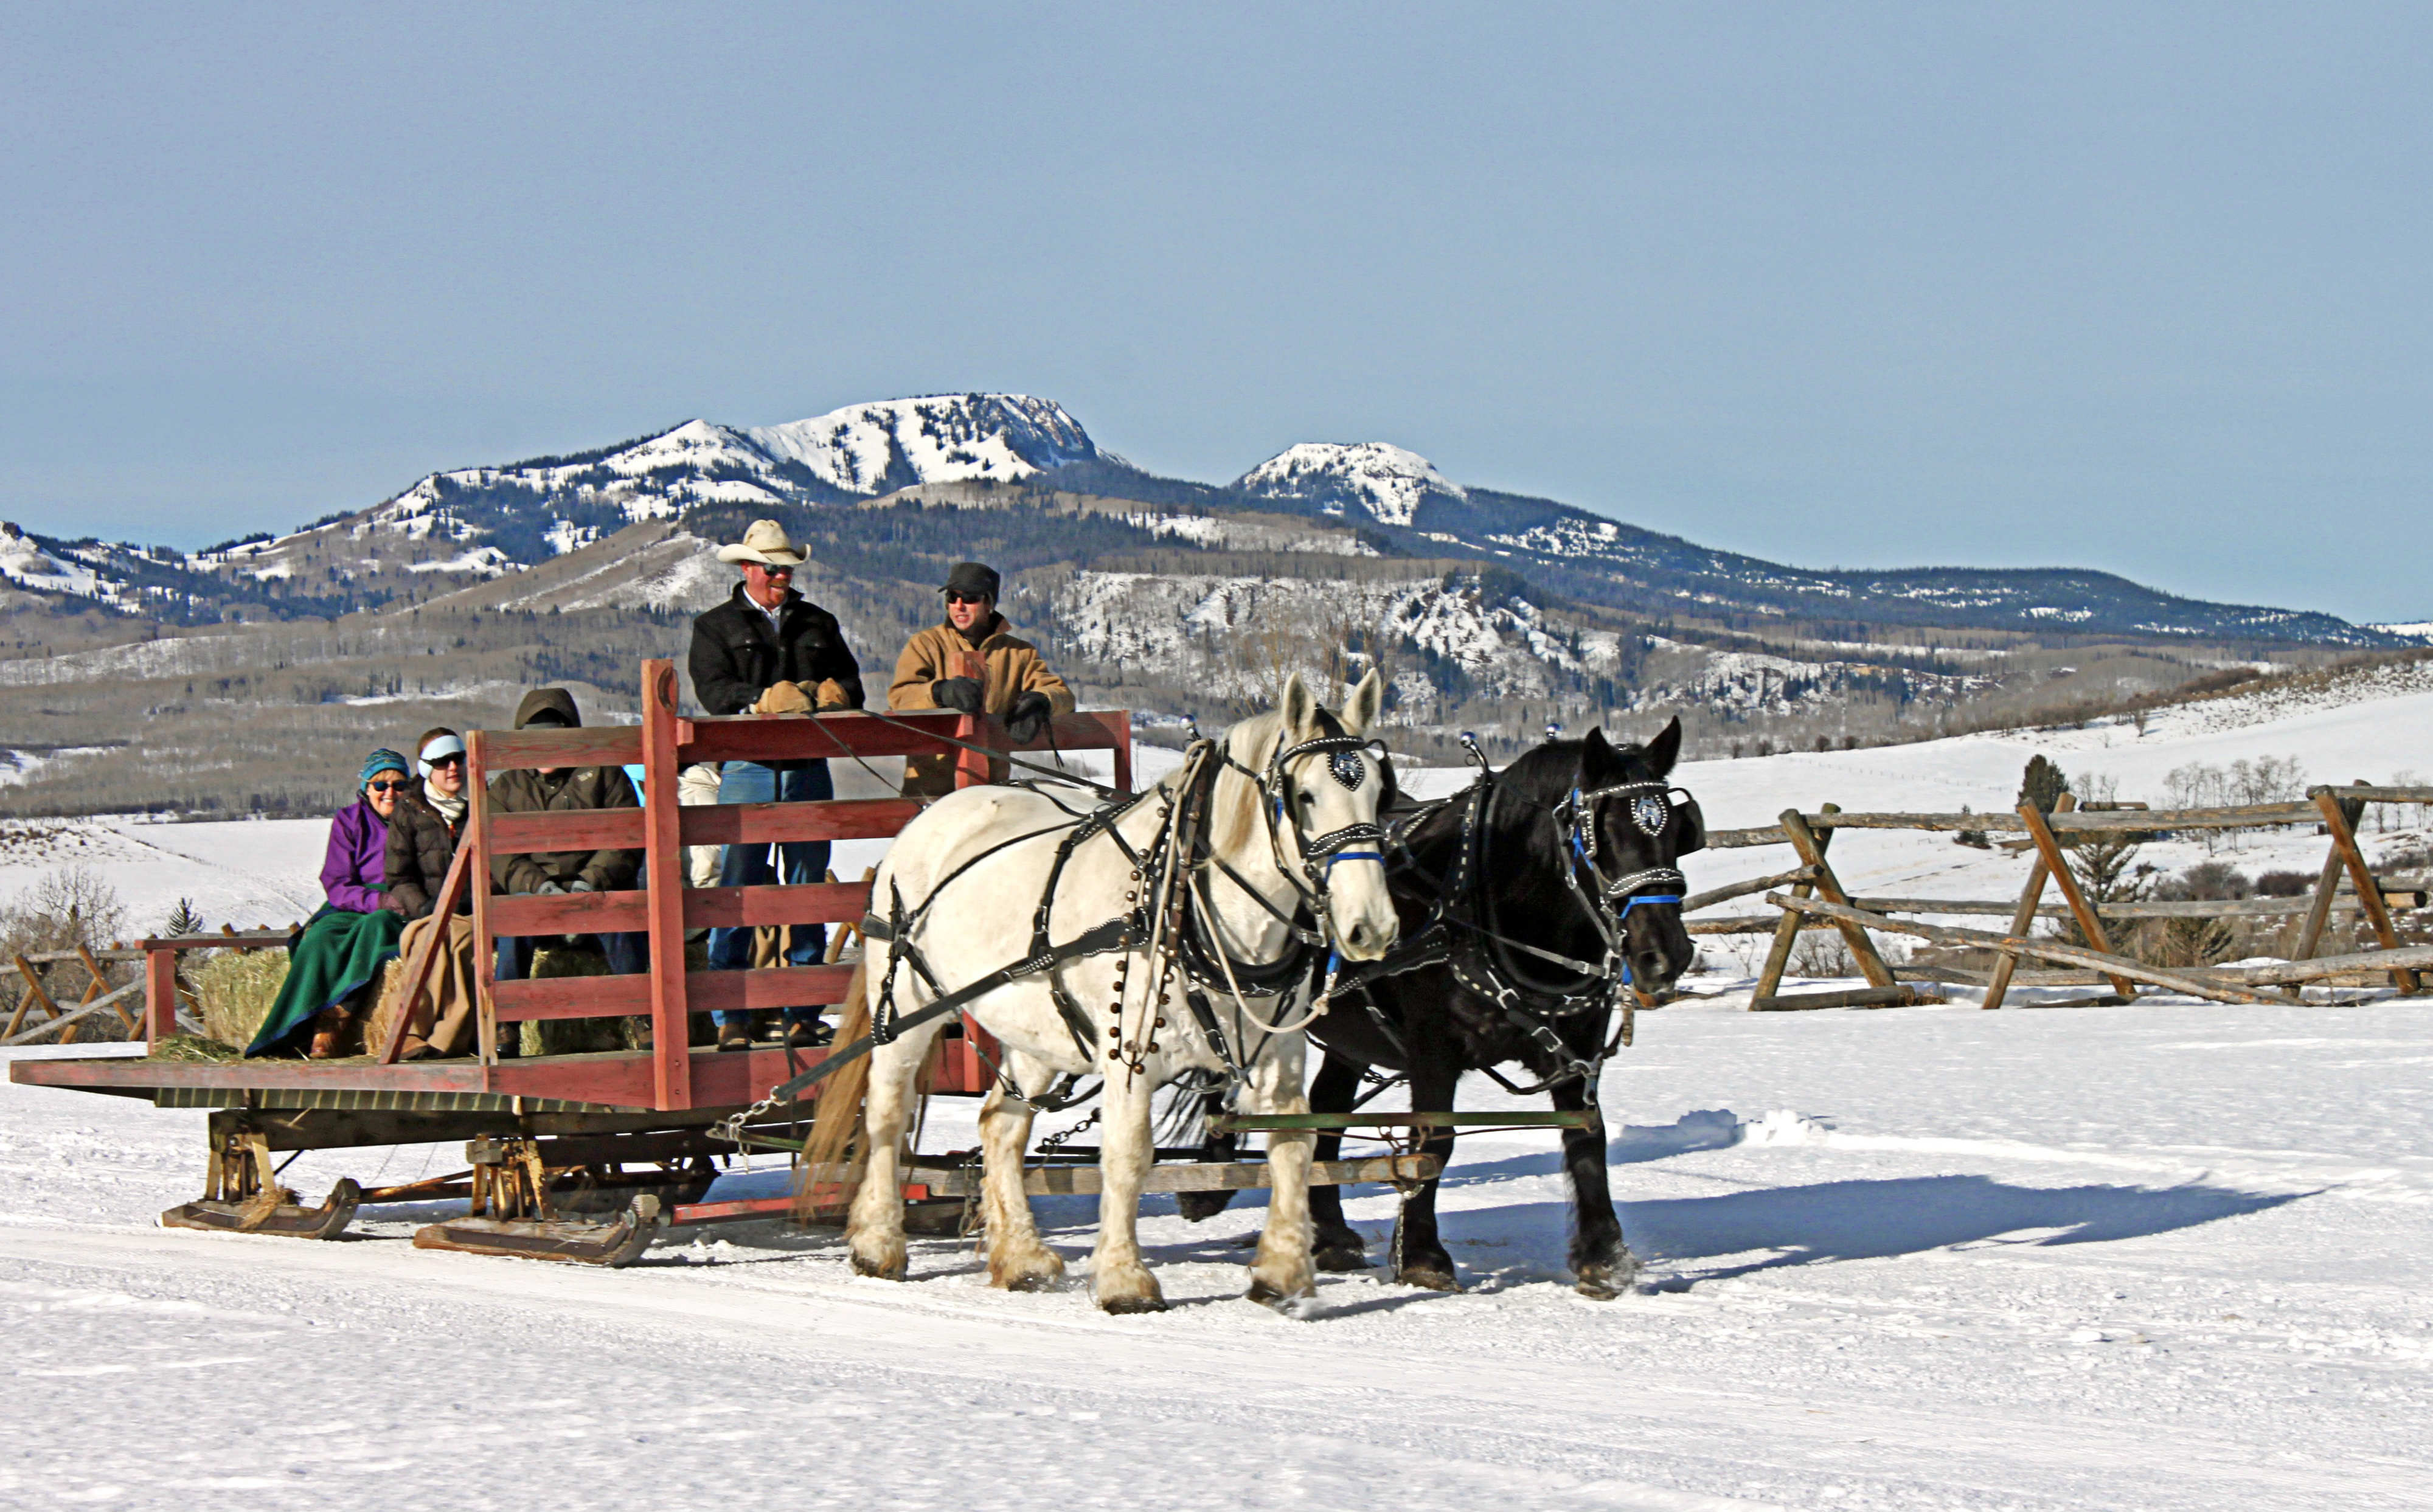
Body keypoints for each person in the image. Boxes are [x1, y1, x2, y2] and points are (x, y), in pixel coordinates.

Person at [687, 518, 864, 1052]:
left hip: (808, 766)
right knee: (739, 890)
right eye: (772, 567)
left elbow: (852, 682)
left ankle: (803, 1012)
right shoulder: (714, 627)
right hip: (747, 767)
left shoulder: (819, 622)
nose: (781, 575)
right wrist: (761, 702)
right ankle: (732, 1015)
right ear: (748, 569)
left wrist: (835, 694)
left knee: (807, 890)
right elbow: (714, 691)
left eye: (787, 568)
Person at [246, 749, 412, 1058]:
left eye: (399, 785)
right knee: (320, 940)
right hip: (354, 904)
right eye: (380, 785)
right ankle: (299, 1027)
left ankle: (336, 1022)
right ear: (366, 788)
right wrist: (376, 899)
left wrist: (400, 899)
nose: (390, 793)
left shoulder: (419, 818)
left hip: (404, 904)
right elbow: (337, 882)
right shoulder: (349, 821)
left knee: (377, 928)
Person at [485, 688, 648, 983]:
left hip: (597, 889)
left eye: (553, 739)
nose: (544, 749)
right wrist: (543, 888)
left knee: (619, 914)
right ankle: (505, 1021)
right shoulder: (506, 788)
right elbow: (504, 857)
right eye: (534, 740)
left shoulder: (605, 774)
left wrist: (588, 884)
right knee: (515, 915)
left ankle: (641, 1016)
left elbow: (624, 841)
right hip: (536, 894)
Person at [888, 561, 1074, 799]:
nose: (959, 606)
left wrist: (1042, 702)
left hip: (991, 793)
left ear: (989, 603)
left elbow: (1062, 695)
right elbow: (899, 698)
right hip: (929, 792)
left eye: (970, 598)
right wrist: (939, 692)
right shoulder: (925, 644)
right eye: (952, 598)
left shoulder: (1018, 653)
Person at [380, 728, 477, 1060]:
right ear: (425, 768)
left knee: (459, 942)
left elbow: (501, 865)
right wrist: (423, 906)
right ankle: (409, 1031)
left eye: (458, 759)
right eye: (442, 761)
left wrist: (470, 898)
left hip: (475, 912)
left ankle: (448, 1039)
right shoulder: (409, 810)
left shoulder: (485, 803)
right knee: (425, 939)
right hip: (429, 911)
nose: (453, 767)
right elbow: (398, 875)